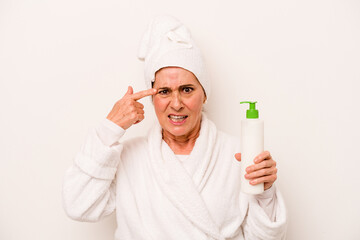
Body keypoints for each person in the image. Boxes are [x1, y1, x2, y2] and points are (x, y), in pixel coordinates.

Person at [62, 15, 287, 240]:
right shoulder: (128, 157)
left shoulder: (238, 153)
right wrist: (109, 128)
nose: (176, 103)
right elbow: (78, 205)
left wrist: (265, 193)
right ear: (152, 98)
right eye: (164, 91)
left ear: (205, 95)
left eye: (187, 89)